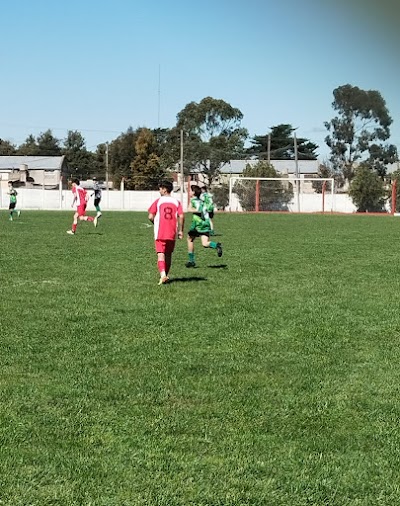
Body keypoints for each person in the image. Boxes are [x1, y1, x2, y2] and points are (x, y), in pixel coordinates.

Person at [148, 180, 184, 285]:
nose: (159, 190)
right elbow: (181, 216)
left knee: (160, 254)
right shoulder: (177, 202)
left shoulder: (158, 201)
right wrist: (181, 230)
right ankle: (165, 277)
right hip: (172, 232)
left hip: (160, 232)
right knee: (168, 255)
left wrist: (155, 222)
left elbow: (150, 216)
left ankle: (163, 275)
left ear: (164, 189)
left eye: (160, 188)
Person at [186, 184, 222, 268]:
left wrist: (193, 210)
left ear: (193, 192)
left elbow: (189, 209)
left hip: (197, 224)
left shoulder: (193, 200)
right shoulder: (202, 201)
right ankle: (216, 245)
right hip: (206, 223)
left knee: (189, 239)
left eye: (190, 190)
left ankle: (191, 261)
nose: (189, 192)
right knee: (205, 243)